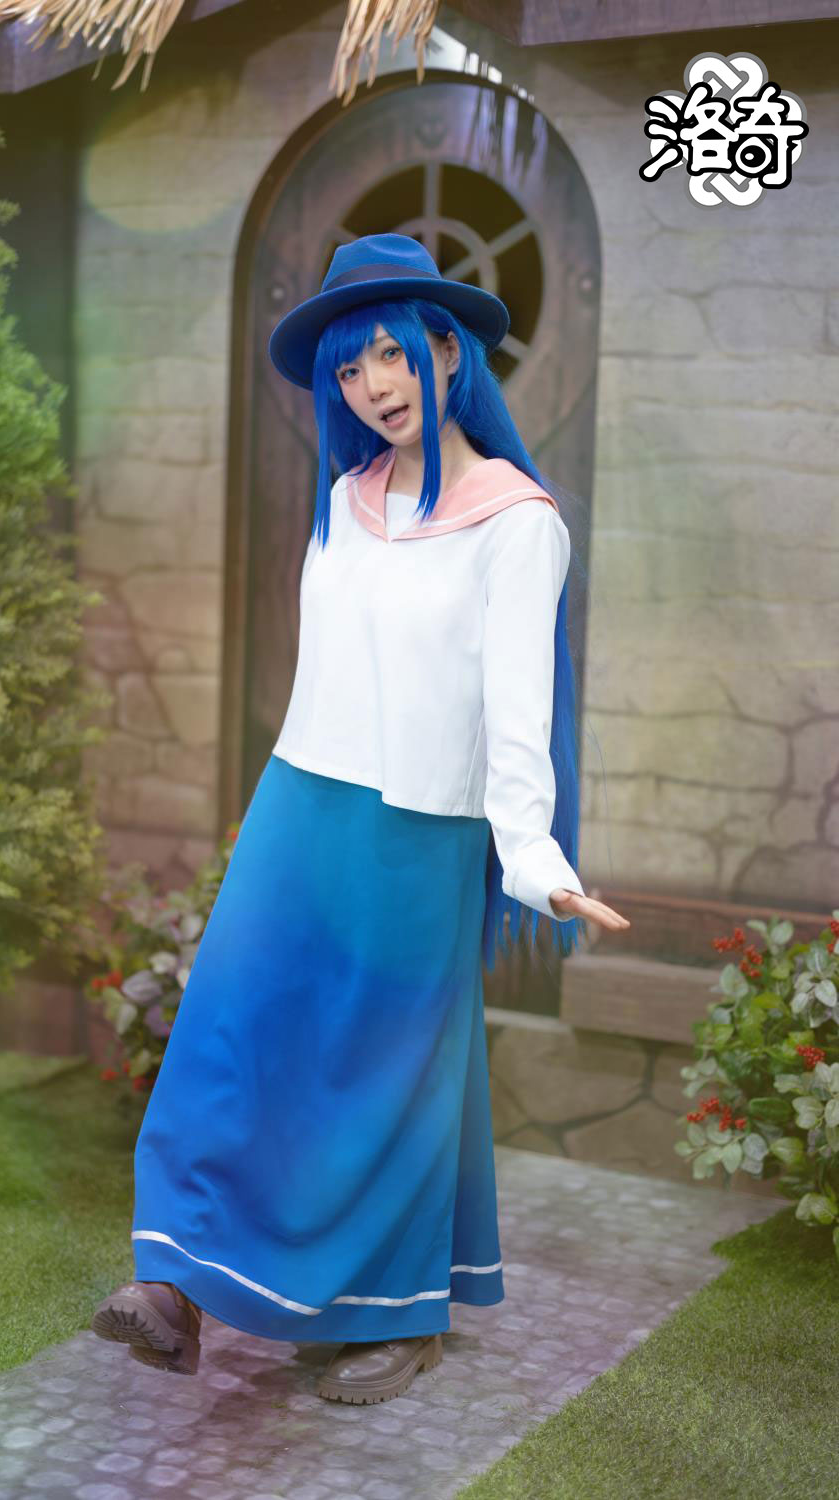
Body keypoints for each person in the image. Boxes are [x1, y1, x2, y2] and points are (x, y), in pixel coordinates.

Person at [91, 232, 630, 1405]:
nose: (372, 385)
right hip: (301, 802)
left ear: (450, 351)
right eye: (347, 367)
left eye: (391, 353)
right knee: (227, 1026)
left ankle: (398, 1317)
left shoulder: (518, 522)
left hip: (420, 832)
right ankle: (174, 1283)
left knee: (383, 1076)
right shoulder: (343, 501)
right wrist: (283, 806)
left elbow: (516, 713)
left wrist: (533, 858)